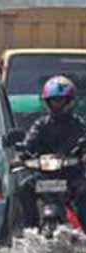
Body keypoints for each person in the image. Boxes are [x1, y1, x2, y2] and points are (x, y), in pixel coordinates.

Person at [21, 75, 86, 231]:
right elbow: (29, 143)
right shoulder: (41, 124)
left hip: (71, 175)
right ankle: (30, 227)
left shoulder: (79, 125)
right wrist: (22, 154)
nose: (57, 104)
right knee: (24, 187)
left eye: (61, 100)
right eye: (54, 100)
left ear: (69, 101)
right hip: (45, 174)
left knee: (84, 191)